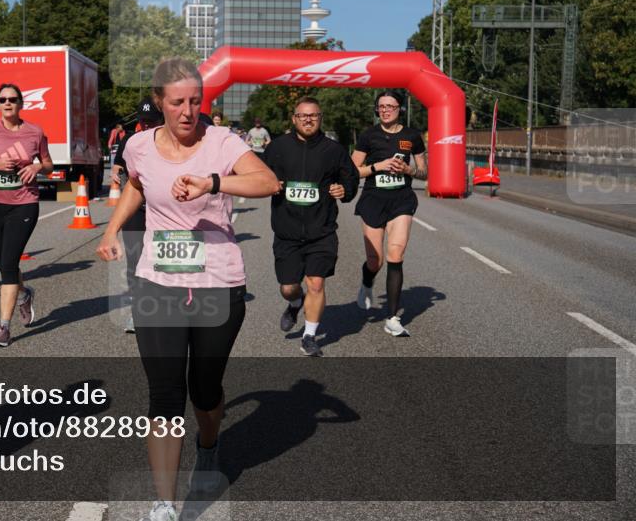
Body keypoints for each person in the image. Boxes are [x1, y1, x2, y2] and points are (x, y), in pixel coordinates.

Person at [96, 58, 279, 521]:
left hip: (219, 282)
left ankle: (209, 442)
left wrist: (212, 182)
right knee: (163, 393)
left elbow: (268, 182)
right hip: (159, 280)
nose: (187, 111)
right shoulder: (138, 145)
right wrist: (112, 230)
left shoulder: (221, 141)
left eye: (195, 101)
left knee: (205, 390)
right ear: (159, 102)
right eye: (177, 102)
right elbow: (135, 186)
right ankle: (164, 502)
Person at [264, 97, 358, 355]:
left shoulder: (334, 150)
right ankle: (295, 303)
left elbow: (350, 179)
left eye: (314, 115)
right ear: (294, 119)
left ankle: (309, 336)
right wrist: (269, 184)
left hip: (322, 230)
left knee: (316, 283)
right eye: (303, 115)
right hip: (287, 232)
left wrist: (345, 190)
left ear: (320, 118)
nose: (308, 119)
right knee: (288, 287)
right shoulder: (277, 148)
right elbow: (258, 176)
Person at [0, 83, 54, 347]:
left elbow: (49, 164)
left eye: (12, 99)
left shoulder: (34, 132)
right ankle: (24, 294)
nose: (7, 103)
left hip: (24, 204)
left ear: (21, 103)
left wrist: (37, 167)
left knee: (10, 263)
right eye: (2, 100)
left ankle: (3, 327)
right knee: (4, 263)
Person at [351, 91, 427, 337]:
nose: (385, 110)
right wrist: (377, 167)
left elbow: (424, 172)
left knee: (396, 254)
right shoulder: (368, 135)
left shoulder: (411, 136)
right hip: (373, 200)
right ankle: (367, 282)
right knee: (376, 261)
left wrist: (408, 169)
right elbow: (351, 172)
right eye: (381, 107)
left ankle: (392, 318)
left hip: (401, 200)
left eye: (390, 106)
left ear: (399, 109)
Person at [110, 97, 164, 334]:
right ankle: (137, 312)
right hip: (136, 211)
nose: (147, 127)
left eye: (151, 122)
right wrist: (119, 178)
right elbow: (116, 169)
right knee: (134, 263)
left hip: (164, 213)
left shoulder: (169, 141)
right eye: (143, 122)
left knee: (163, 261)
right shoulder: (131, 141)